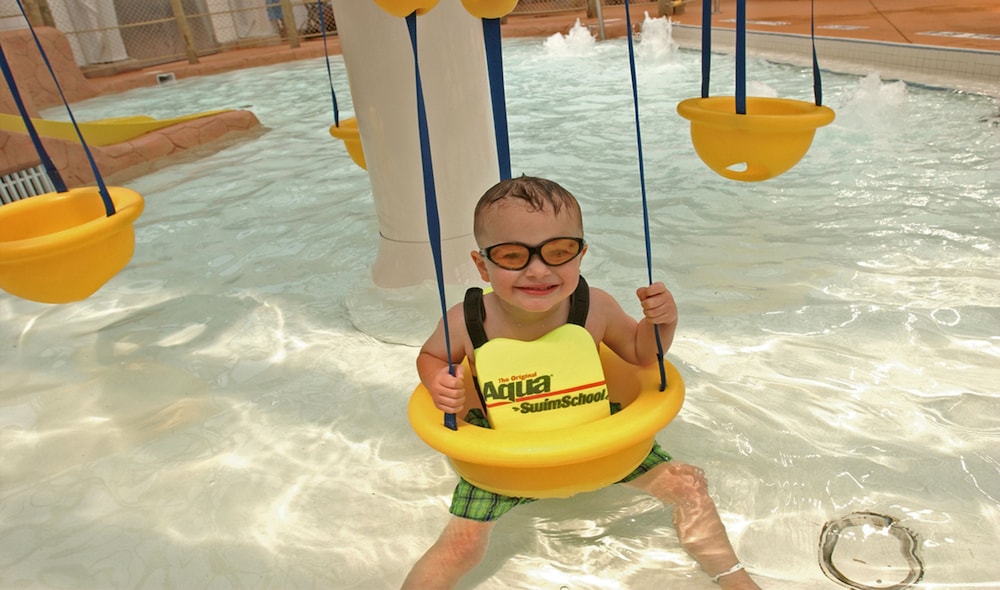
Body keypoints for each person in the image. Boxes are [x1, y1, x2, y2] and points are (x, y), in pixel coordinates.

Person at [403, 176, 760, 590]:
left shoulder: (596, 307)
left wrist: (662, 322)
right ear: (483, 265)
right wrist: (438, 380)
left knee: (688, 487)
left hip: (597, 440)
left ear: (581, 254)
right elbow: (431, 356)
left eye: (558, 251)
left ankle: (734, 579)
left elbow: (642, 354)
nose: (538, 270)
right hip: (506, 458)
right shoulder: (466, 320)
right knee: (462, 546)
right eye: (512, 255)